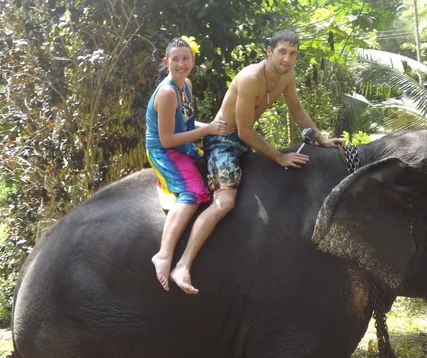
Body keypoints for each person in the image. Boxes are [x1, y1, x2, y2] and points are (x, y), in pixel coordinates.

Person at [173, 29, 345, 295]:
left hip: (243, 140)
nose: (287, 59)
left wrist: (321, 138)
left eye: (293, 54)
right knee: (225, 202)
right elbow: (243, 131)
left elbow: (296, 109)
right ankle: (183, 264)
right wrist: (279, 156)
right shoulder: (251, 78)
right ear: (269, 51)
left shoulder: (286, 75)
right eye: (282, 52)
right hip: (224, 141)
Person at [146, 36, 234, 291]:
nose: (181, 64)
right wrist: (208, 131)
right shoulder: (166, 93)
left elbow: (185, 125)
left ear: (193, 61)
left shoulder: (187, 85)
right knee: (193, 192)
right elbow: (167, 138)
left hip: (183, 145)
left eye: (185, 59)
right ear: (166, 62)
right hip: (164, 151)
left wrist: (214, 128)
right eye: (175, 59)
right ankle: (163, 254)